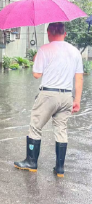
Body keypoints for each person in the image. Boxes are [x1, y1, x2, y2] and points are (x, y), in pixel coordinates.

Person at [14, 22, 83, 177]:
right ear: (65, 33)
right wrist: (77, 100)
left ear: (49, 33)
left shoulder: (44, 50)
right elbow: (78, 78)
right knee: (61, 130)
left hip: (48, 95)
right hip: (66, 96)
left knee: (35, 127)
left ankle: (31, 162)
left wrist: (37, 58)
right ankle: (59, 168)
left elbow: (36, 74)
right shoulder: (75, 51)